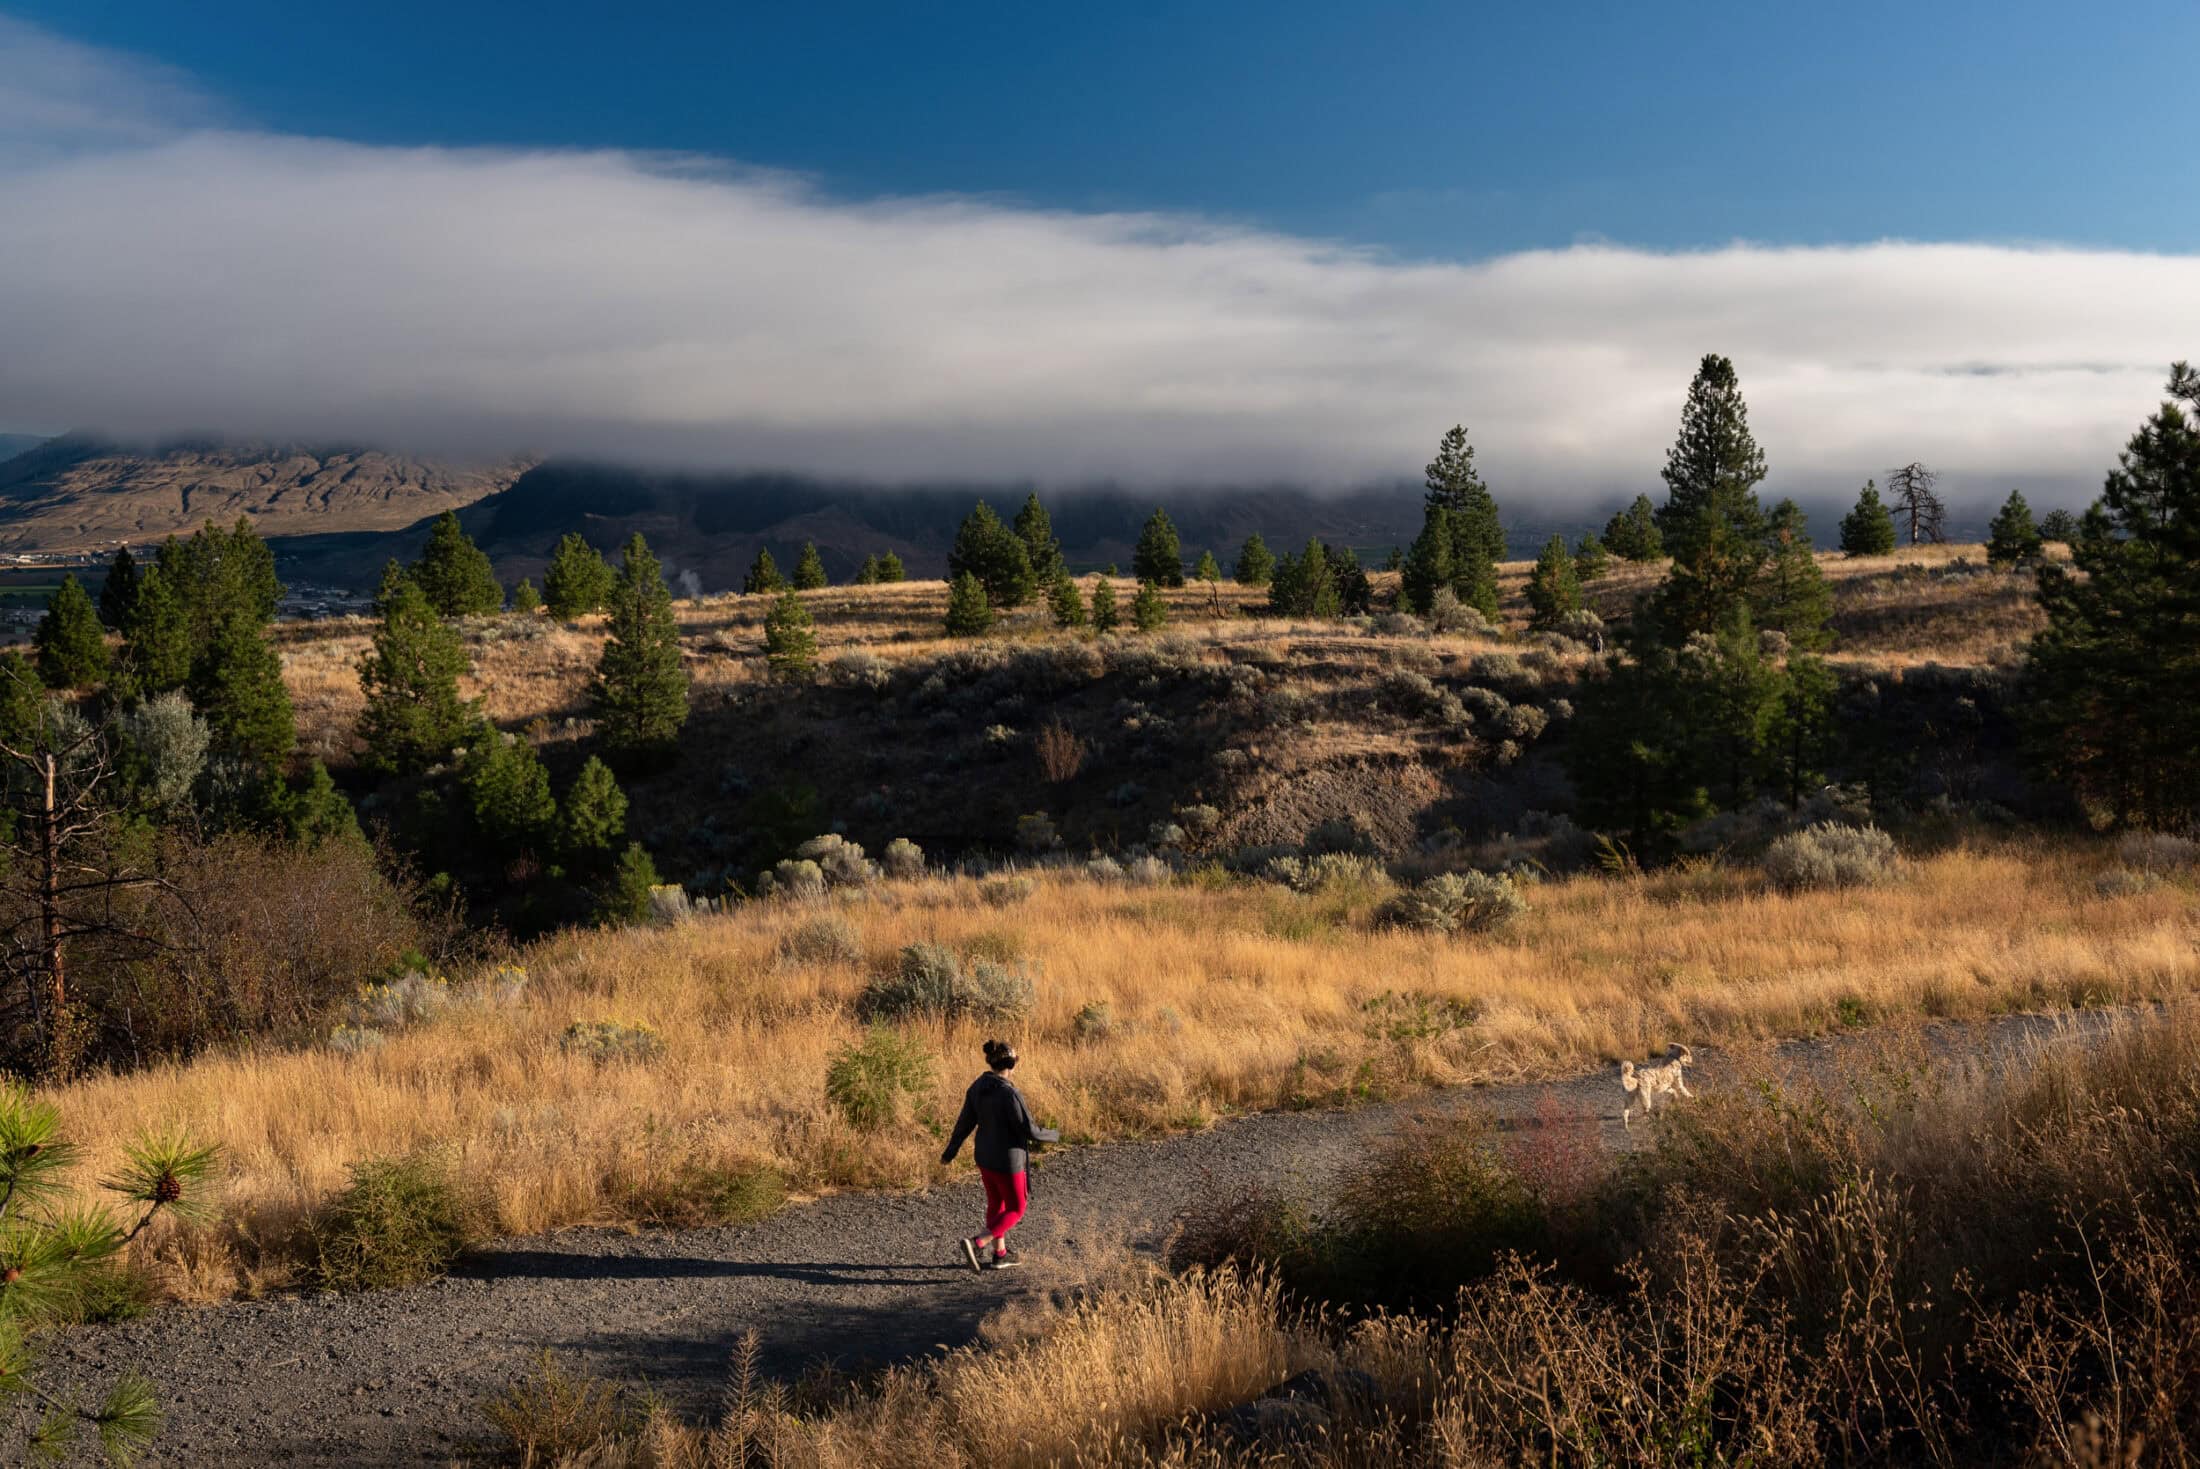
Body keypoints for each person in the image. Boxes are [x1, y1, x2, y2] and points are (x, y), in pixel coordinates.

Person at [940, 1038, 1057, 1271]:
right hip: (1008, 1161)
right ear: (1012, 1065)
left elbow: (964, 1124)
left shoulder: (977, 1087)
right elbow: (1029, 1129)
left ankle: (1000, 1254)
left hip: (984, 1157)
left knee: (997, 1204)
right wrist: (1054, 1135)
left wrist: (950, 1152)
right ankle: (977, 1243)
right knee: (1016, 1208)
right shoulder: (1009, 1093)